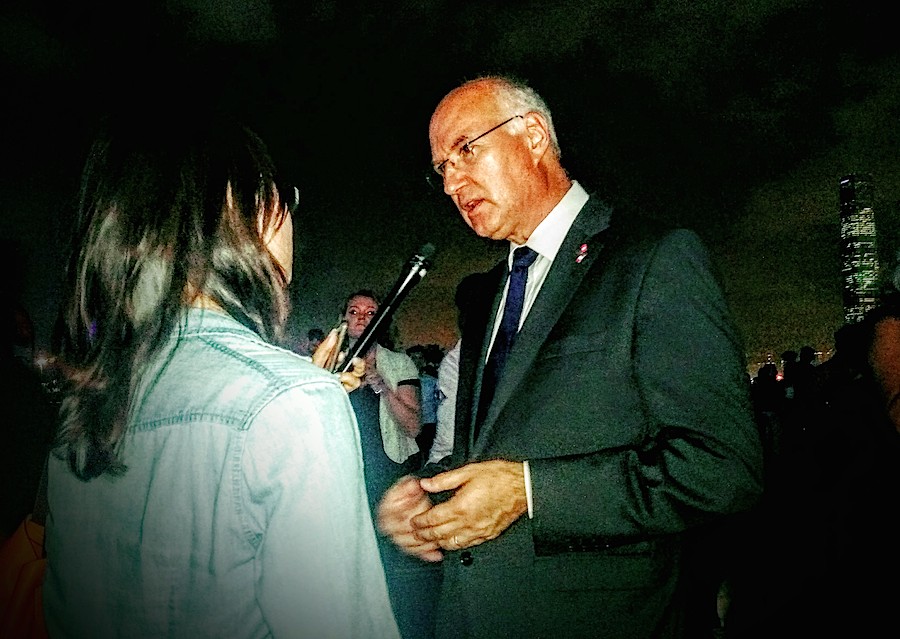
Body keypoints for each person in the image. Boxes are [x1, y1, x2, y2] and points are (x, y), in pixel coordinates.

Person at [377, 75, 763, 638]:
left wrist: (533, 493)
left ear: (532, 135)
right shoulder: (486, 293)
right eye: (441, 169)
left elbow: (724, 467)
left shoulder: (653, 260)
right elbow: (496, 448)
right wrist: (431, 487)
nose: (450, 182)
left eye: (465, 149)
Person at [42, 109, 399, 639]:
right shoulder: (294, 401)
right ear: (243, 212)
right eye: (285, 199)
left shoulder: (95, 393)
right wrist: (299, 393)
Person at [340, 289, 440, 639]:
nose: (362, 318)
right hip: (342, 471)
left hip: (386, 471)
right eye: (354, 311)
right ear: (344, 319)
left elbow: (413, 426)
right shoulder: (327, 363)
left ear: (382, 321)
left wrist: (381, 384)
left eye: (370, 313)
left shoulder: (400, 364)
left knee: (388, 562)